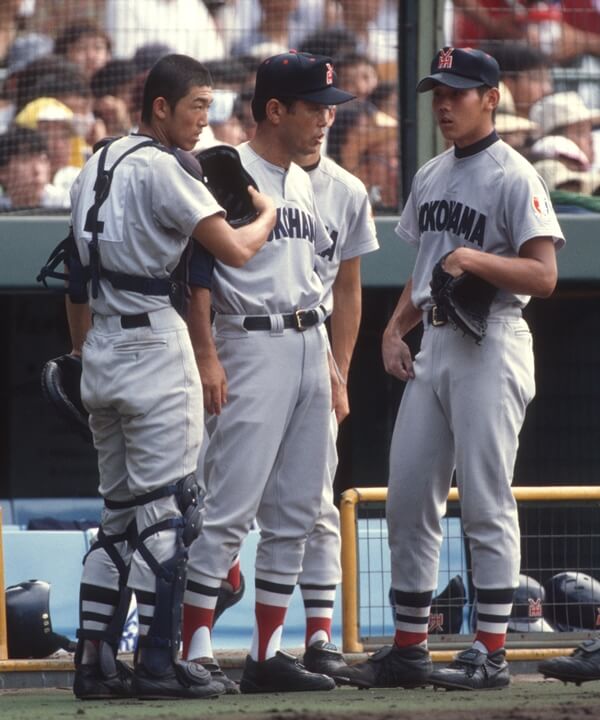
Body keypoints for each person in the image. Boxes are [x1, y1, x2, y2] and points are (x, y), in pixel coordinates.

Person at [349, 46, 563, 691]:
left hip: (492, 337)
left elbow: (544, 275)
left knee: (484, 497)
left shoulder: (514, 174)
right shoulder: (433, 174)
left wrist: (474, 258)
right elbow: (426, 271)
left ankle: (490, 650)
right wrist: (392, 330)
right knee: (409, 496)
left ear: (491, 98)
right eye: (438, 92)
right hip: (436, 341)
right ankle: (411, 647)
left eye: (459, 92)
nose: (444, 104)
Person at [64, 52, 276, 700]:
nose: (202, 122)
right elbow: (237, 249)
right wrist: (267, 208)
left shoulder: (94, 161)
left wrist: (82, 359)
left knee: (118, 517)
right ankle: (159, 664)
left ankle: (94, 664)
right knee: (171, 515)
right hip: (154, 340)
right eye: (195, 108)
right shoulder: (160, 167)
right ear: (160, 107)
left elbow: (73, 279)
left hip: (100, 339)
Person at [185, 102, 379, 689]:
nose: (326, 119)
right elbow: (195, 271)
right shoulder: (222, 167)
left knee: (298, 509)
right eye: (314, 109)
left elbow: (338, 285)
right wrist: (207, 354)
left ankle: (267, 655)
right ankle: (193, 647)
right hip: (248, 338)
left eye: (329, 109)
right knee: (229, 505)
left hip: (308, 339)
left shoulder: (310, 181)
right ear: (275, 111)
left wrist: (336, 366)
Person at [0, 125, 68, 210]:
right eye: (25, 159)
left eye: (43, 160)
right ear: (3, 172)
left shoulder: (65, 204)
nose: (37, 170)